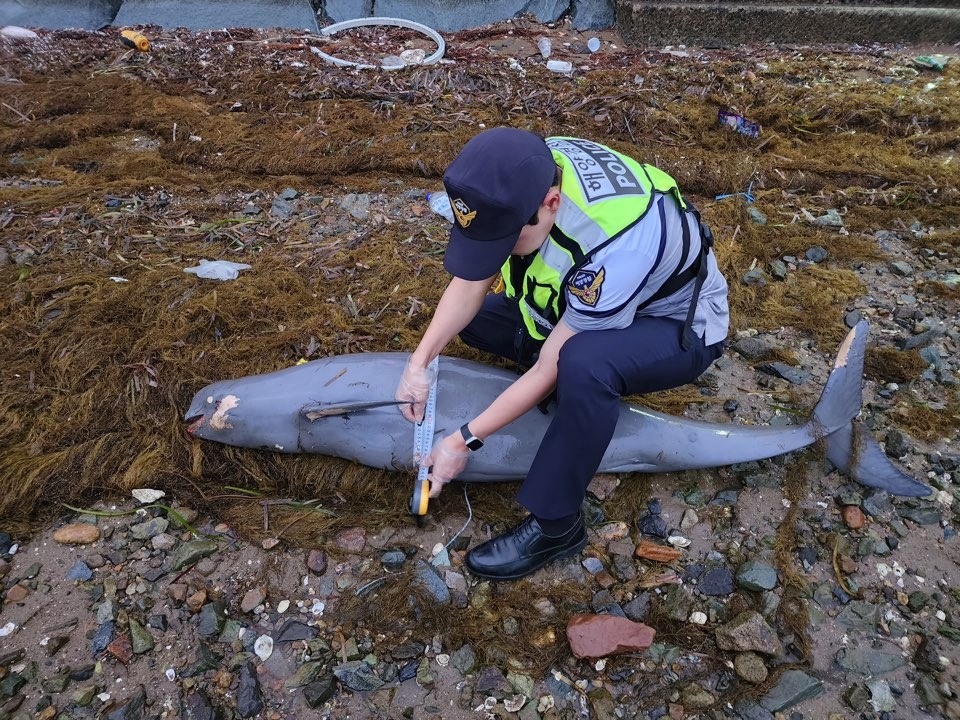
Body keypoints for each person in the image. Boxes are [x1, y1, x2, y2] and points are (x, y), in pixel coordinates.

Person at [396, 127, 729, 581]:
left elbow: (554, 361)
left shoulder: (616, 245)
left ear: (551, 204)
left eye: (504, 240)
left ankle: (557, 525)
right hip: (598, 305)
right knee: (471, 321)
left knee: (584, 367)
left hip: (677, 326)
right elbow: (471, 282)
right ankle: (568, 399)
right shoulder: (524, 171)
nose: (496, 253)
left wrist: (463, 440)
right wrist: (419, 363)